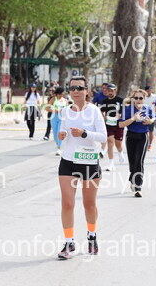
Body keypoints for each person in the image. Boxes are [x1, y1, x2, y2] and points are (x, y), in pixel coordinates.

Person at [57, 76, 106, 259]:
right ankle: (69, 242)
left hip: (89, 161)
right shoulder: (65, 111)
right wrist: (61, 134)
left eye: (79, 88)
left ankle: (92, 236)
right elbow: (63, 130)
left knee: (89, 204)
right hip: (68, 161)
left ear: (87, 91)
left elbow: (103, 136)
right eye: (72, 88)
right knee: (67, 203)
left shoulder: (94, 111)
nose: (75, 91)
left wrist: (85, 133)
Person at [119, 89, 155, 197]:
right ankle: (132, 177)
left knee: (139, 161)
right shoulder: (128, 109)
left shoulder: (147, 108)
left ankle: (138, 187)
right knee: (132, 162)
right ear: (133, 99)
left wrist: (150, 121)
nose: (138, 100)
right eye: (136, 98)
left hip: (143, 136)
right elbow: (121, 124)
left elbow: (153, 118)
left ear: (144, 99)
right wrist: (133, 118)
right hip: (131, 136)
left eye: (141, 98)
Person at [100, 83, 125, 171]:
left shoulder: (120, 100)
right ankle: (111, 163)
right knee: (110, 142)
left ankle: (120, 152)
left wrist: (119, 115)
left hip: (118, 124)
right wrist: (104, 117)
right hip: (109, 124)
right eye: (108, 91)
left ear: (115, 91)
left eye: (112, 90)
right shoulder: (104, 101)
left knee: (118, 144)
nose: (110, 92)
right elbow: (102, 111)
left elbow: (123, 111)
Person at [48, 87, 68, 156]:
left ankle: (59, 148)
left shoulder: (65, 100)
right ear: (57, 94)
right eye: (59, 94)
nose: (60, 96)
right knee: (55, 134)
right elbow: (47, 108)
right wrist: (54, 110)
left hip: (61, 119)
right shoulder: (53, 99)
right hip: (54, 118)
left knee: (59, 132)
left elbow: (67, 110)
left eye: (62, 94)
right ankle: (57, 143)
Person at [143, 86, 156, 151]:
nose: (149, 92)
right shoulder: (142, 97)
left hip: (151, 116)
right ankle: (144, 143)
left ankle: (150, 144)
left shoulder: (155, 97)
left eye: (150, 90)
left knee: (151, 131)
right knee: (143, 131)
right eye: (147, 90)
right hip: (143, 116)